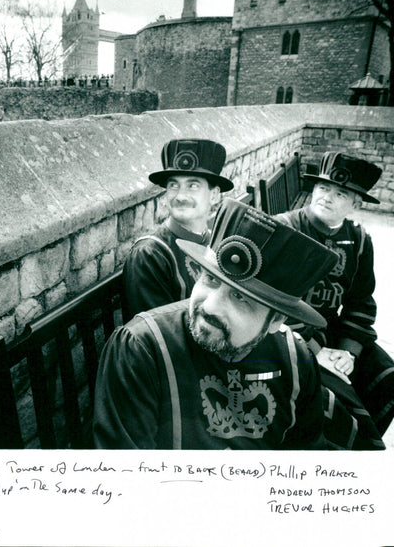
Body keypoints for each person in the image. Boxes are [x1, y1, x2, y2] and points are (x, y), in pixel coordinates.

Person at [94, 199, 339, 450]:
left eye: (240, 298)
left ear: (276, 320)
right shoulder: (144, 349)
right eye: (210, 278)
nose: (210, 307)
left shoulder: (295, 359)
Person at [276, 151, 394, 448]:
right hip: (285, 332)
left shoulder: (358, 240)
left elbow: (361, 301)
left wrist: (349, 351)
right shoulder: (285, 228)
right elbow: (270, 300)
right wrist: (313, 349)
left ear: (355, 204)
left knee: (390, 379)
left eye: (340, 192)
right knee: (341, 396)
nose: (327, 197)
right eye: (323, 188)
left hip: (331, 332)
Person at [122, 138, 233, 320]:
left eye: (193, 186)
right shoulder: (149, 255)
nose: (181, 196)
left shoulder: (215, 242)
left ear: (213, 195)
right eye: (173, 185)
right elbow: (156, 334)